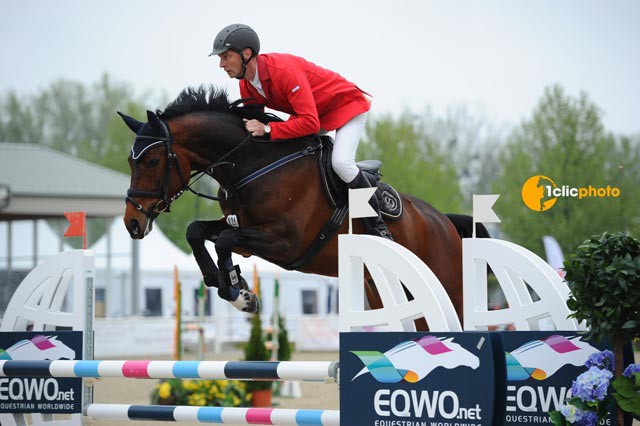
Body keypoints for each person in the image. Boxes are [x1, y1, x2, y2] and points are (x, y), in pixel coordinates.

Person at [209, 23, 392, 240]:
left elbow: (309, 124)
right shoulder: (246, 83)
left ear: (246, 54)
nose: (221, 64)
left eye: (226, 57)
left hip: (347, 107)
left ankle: (378, 227)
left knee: (341, 163)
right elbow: (255, 130)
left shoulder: (283, 71)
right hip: (317, 114)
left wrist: (267, 128)